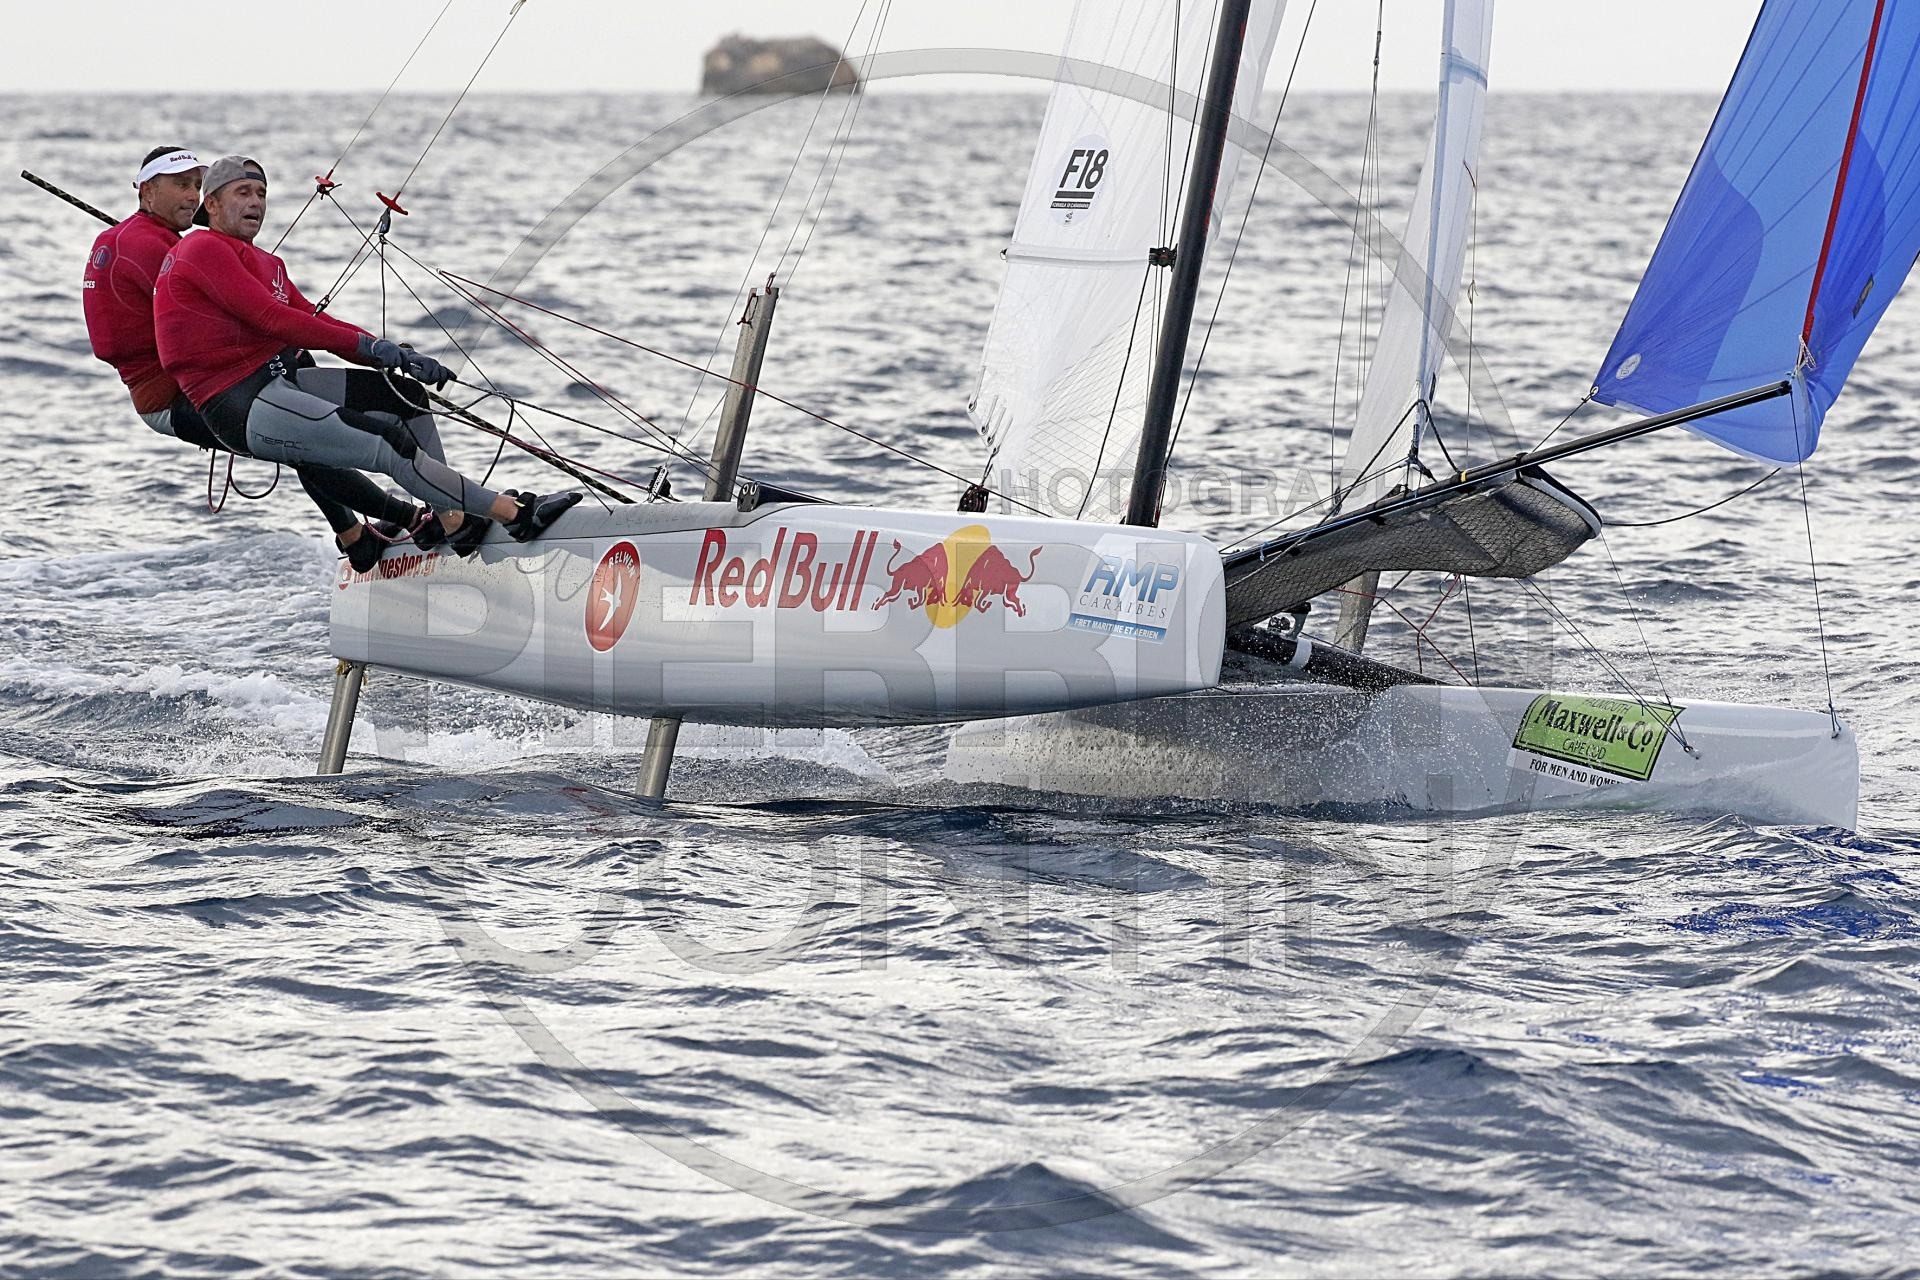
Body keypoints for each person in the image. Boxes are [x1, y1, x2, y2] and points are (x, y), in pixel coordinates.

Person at [154, 155, 580, 553]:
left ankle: (454, 521)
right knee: (387, 446)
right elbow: (272, 319)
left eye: (261, 193)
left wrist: (390, 354)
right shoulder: (202, 248)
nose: (255, 203)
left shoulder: (267, 263)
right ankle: (515, 515)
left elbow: (316, 320)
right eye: (243, 192)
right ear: (211, 204)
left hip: (275, 382)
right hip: (238, 402)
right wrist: (369, 348)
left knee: (403, 399)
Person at [83, 145, 423, 572]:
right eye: (180, 185)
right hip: (173, 397)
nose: (191, 196)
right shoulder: (153, 247)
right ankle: (413, 521)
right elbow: (215, 322)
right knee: (303, 434)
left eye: (196, 185)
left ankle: (356, 535)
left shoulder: (141, 239)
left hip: (178, 388)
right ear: (147, 191)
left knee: (303, 413)